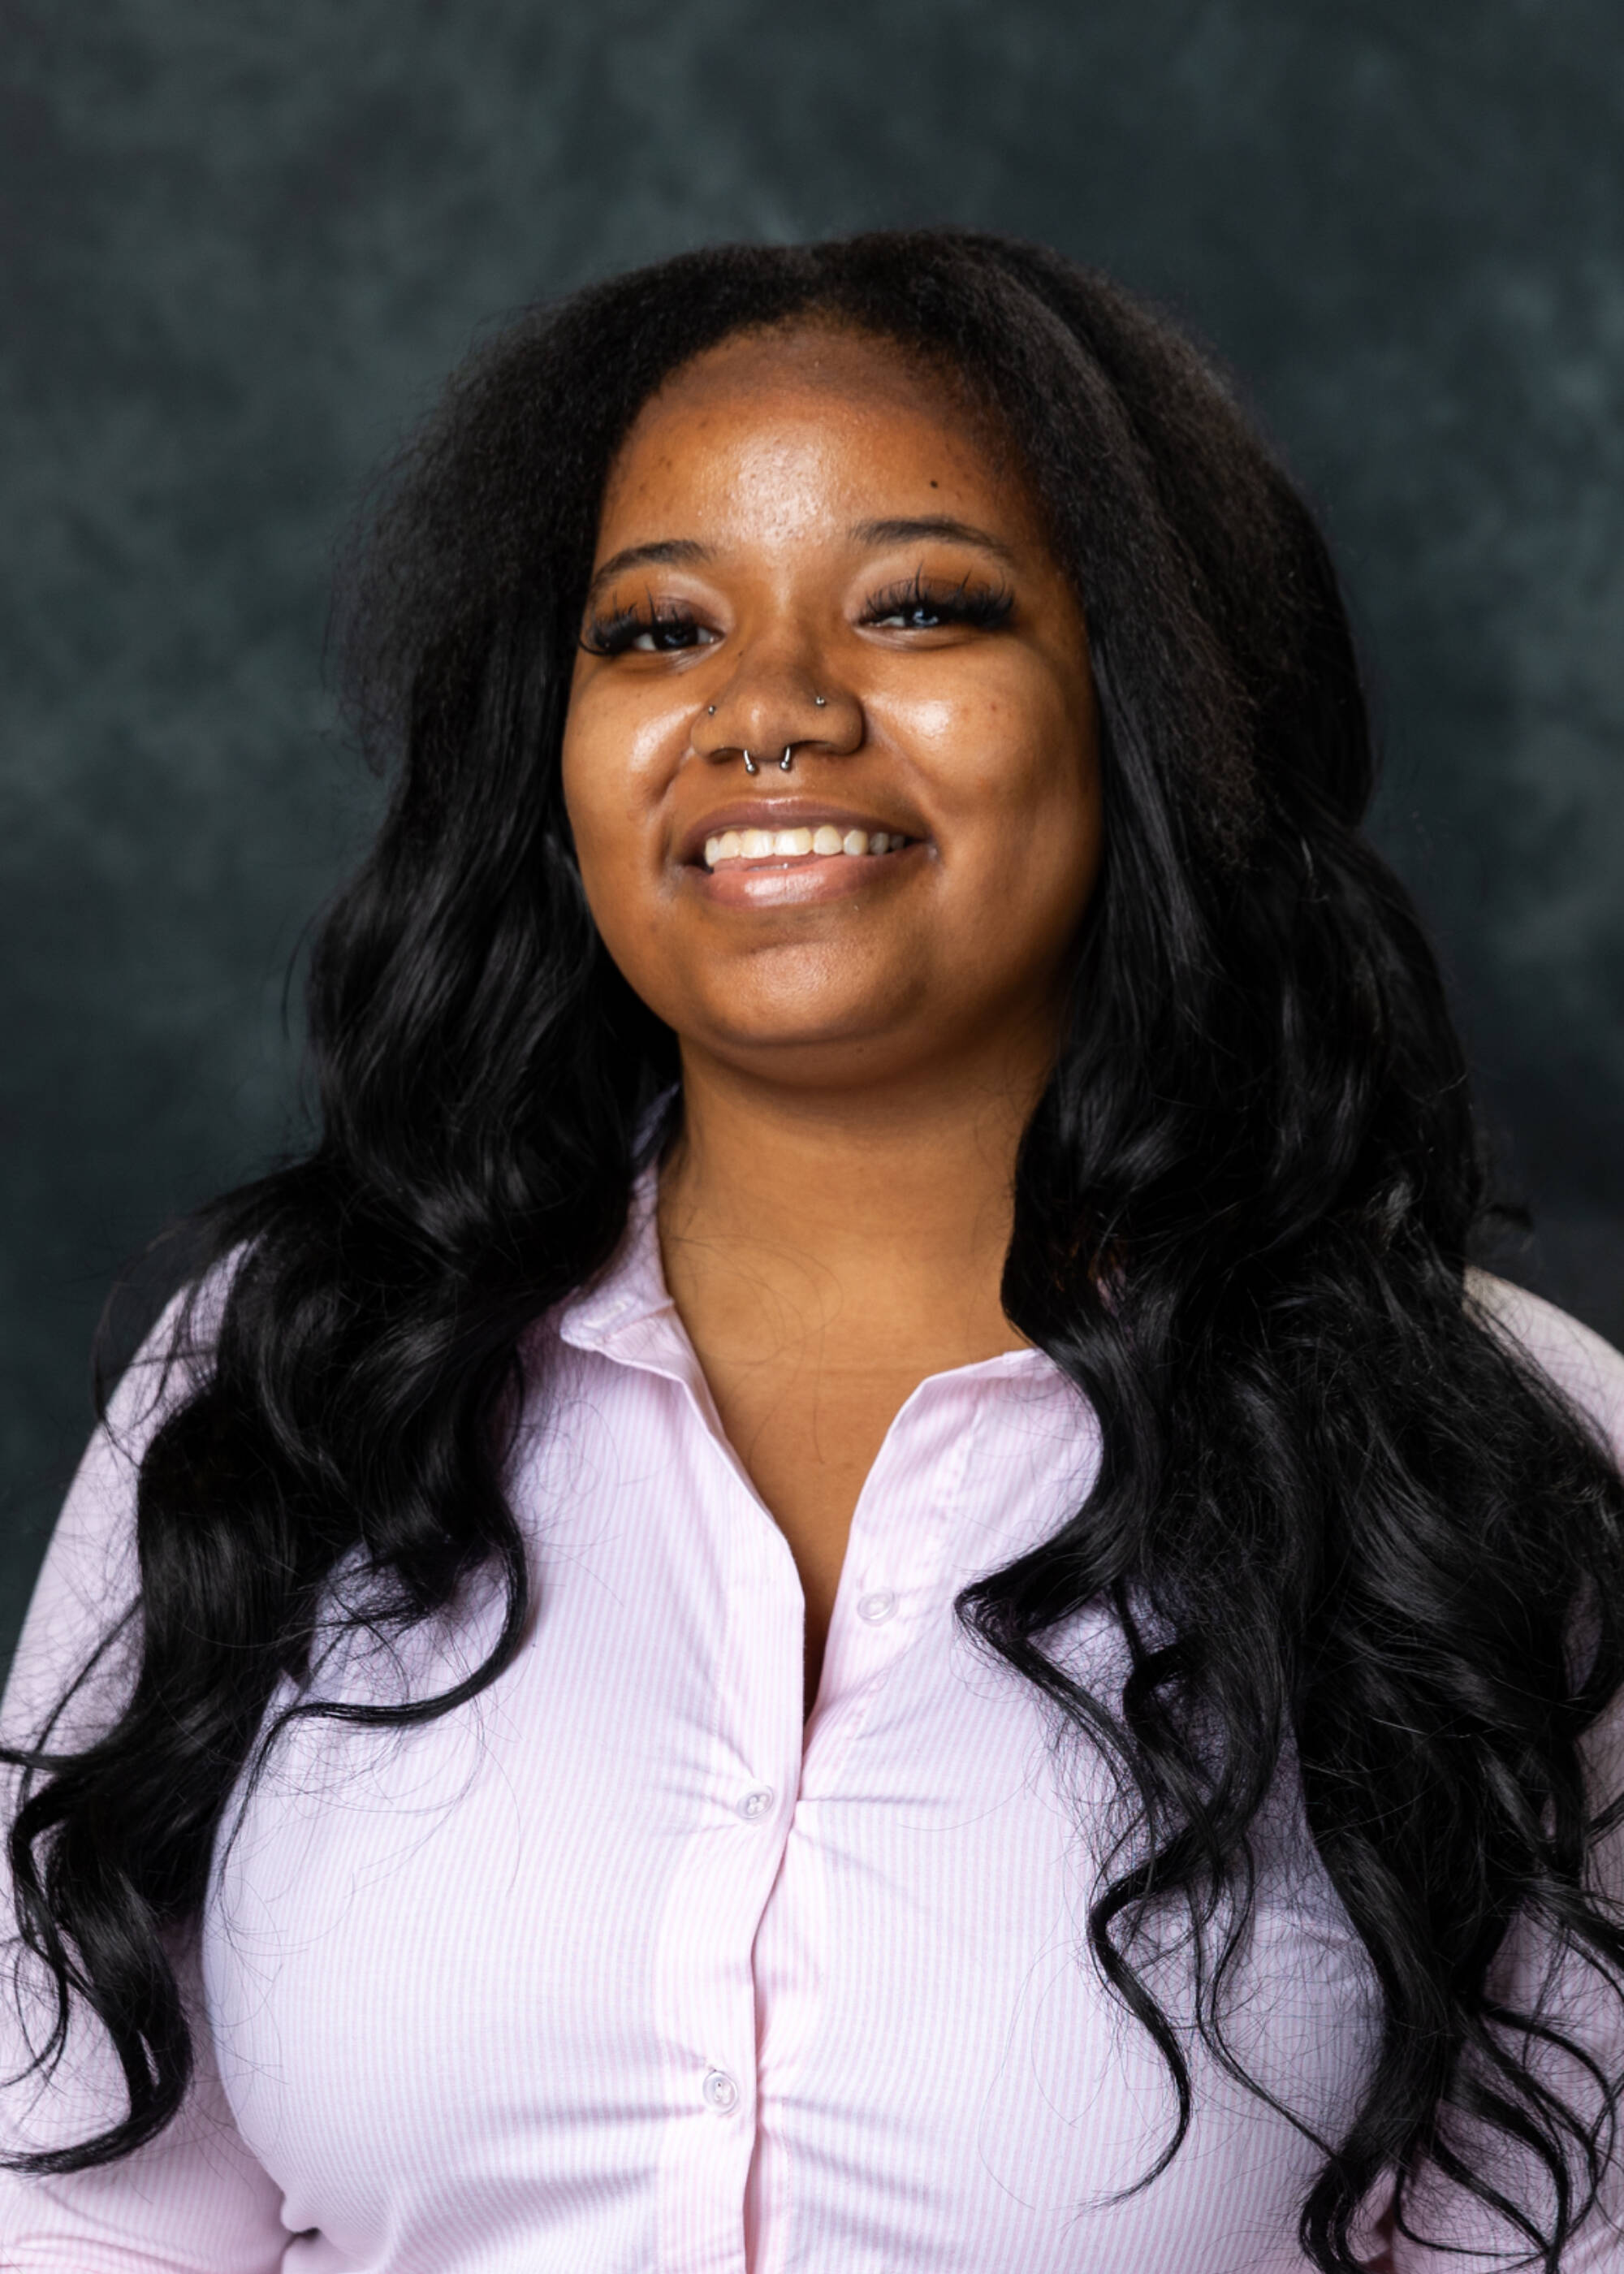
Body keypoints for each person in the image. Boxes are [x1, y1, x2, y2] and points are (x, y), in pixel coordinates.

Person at [2, 227, 1622, 2274]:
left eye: (923, 606)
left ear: (1148, 713)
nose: (766, 711)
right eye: (656, 633)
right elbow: (74, 2204)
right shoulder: (295, 1375)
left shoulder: (1492, 1462)